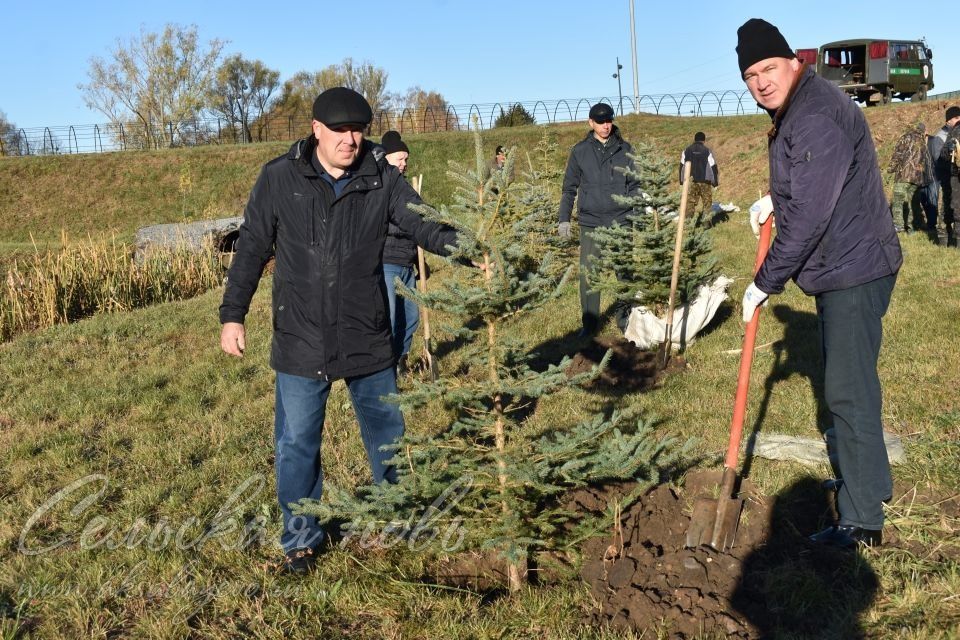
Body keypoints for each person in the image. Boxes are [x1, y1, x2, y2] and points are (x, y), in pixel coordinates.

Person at [219, 88, 462, 574]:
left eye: (358, 130)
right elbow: (250, 248)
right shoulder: (279, 178)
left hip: (367, 332)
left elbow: (423, 223)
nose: (351, 140)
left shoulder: (381, 178)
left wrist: (464, 246)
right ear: (316, 130)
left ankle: (397, 516)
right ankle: (302, 538)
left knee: (387, 433)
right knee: (296, 444)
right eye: (341, 131)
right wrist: (232, 314)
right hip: (300, 337)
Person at [737, 19, 903, 549]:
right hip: (845, 262)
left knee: (848, 392)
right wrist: (774, 200)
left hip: (854, 266)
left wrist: (765, 282)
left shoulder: (813, 115)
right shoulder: (798, 107)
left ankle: (861, 521)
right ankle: (869, 483)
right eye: (749, 75)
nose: (761, 82)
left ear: (792, 62)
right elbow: (809, 183)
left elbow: (809, 216)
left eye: (767, 68)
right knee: (850, 385)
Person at [557, 102, 641, 337]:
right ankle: (590, 325)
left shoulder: (625, 149)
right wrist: (564, 219)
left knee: (625, 272)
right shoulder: (580, 151)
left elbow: (635, 184)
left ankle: (627, 320)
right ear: (591, 122)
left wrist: (636, 211)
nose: (606, 126)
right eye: (600, 122)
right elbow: (569, 188)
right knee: (589, 275)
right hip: (591, 222)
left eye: (609, 121)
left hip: (621, 220)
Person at [377, 131, 420, 373]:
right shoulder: (381, 188)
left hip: (407, 264)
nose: (404, 164)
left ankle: (402, 360)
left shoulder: (407, 189)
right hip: (387, 262)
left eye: (406, 160)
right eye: (399, 159)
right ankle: (385, 369)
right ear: (386, 159)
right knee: (390, 319)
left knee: (411, 316)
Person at [888, 122, 933, 234]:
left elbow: (897, 154)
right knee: (914, 203)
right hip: (917, 178)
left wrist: (891, 169)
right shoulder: (923, 142)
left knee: (898, 201)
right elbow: (926, 161)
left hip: (903, 175)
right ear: (923, 131)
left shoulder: (906, 137)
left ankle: (898, 226)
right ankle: (911, 228)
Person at [929, 106, 960, 239]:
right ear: (948, 121)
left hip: (955, 176)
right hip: (946, 176)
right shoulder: (940, 137)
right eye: (956, 118)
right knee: (947, 206)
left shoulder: (956, 132)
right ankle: (943, 234)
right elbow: (938, 159)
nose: (959, 120)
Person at [679, 132, 719, 225]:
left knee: (690, 203)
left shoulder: (686, 150)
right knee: (707, 203)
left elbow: (681, 166)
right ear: (704, 140)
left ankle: (689, 224)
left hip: (691, 181)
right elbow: (713, 167)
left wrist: (682, 181)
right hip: (705, 181)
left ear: (694, 139)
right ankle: (706, 224)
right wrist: (715, 182)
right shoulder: (707, 150)